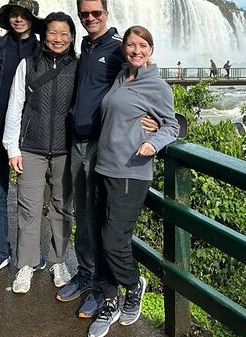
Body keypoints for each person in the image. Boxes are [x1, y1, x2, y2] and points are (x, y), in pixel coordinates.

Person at [57, 0, 157, 319]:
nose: (90, 19)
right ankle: (86, 273)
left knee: (95, 220)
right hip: (78, 141)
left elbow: (147, 83)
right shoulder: (85, 47)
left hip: (103, 146)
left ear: (106, 12)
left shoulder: (118, 47)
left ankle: (103, 287)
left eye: (95, 13)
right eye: (84, 14)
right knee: (81, 213)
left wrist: (161, 125)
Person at [87, 25, 179, 337]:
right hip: (105, 168)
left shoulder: (158, 85)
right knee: (102, 237)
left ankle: (133, 284)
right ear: (124, 48)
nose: (136, 51)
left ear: (151, 49)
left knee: (114, 239)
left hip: (131, 171)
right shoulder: (122, 76)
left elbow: (173, 125)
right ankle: (110, 302)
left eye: (142, 46)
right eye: (130, 46)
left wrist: (154, 142)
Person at [0, 0, 52, 282]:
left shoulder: (44, 50)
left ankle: (29, 252)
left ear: (32, 20)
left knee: (29, 197)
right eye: (13, 14)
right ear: (7, 18)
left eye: (24, 15)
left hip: (30, 135)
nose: (18, 19)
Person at [3, 12, 77, 294]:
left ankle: (59, 261)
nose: (58, 38)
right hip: (31, 146)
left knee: (61, 206)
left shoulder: (77, 67)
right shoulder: (28, 64)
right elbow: (15, 105)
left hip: (65, 148)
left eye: (64, 33)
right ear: (43, 34)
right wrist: (12, 147)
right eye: (53, 32)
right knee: (29, 207)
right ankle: (26, 264)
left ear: (71, 37)